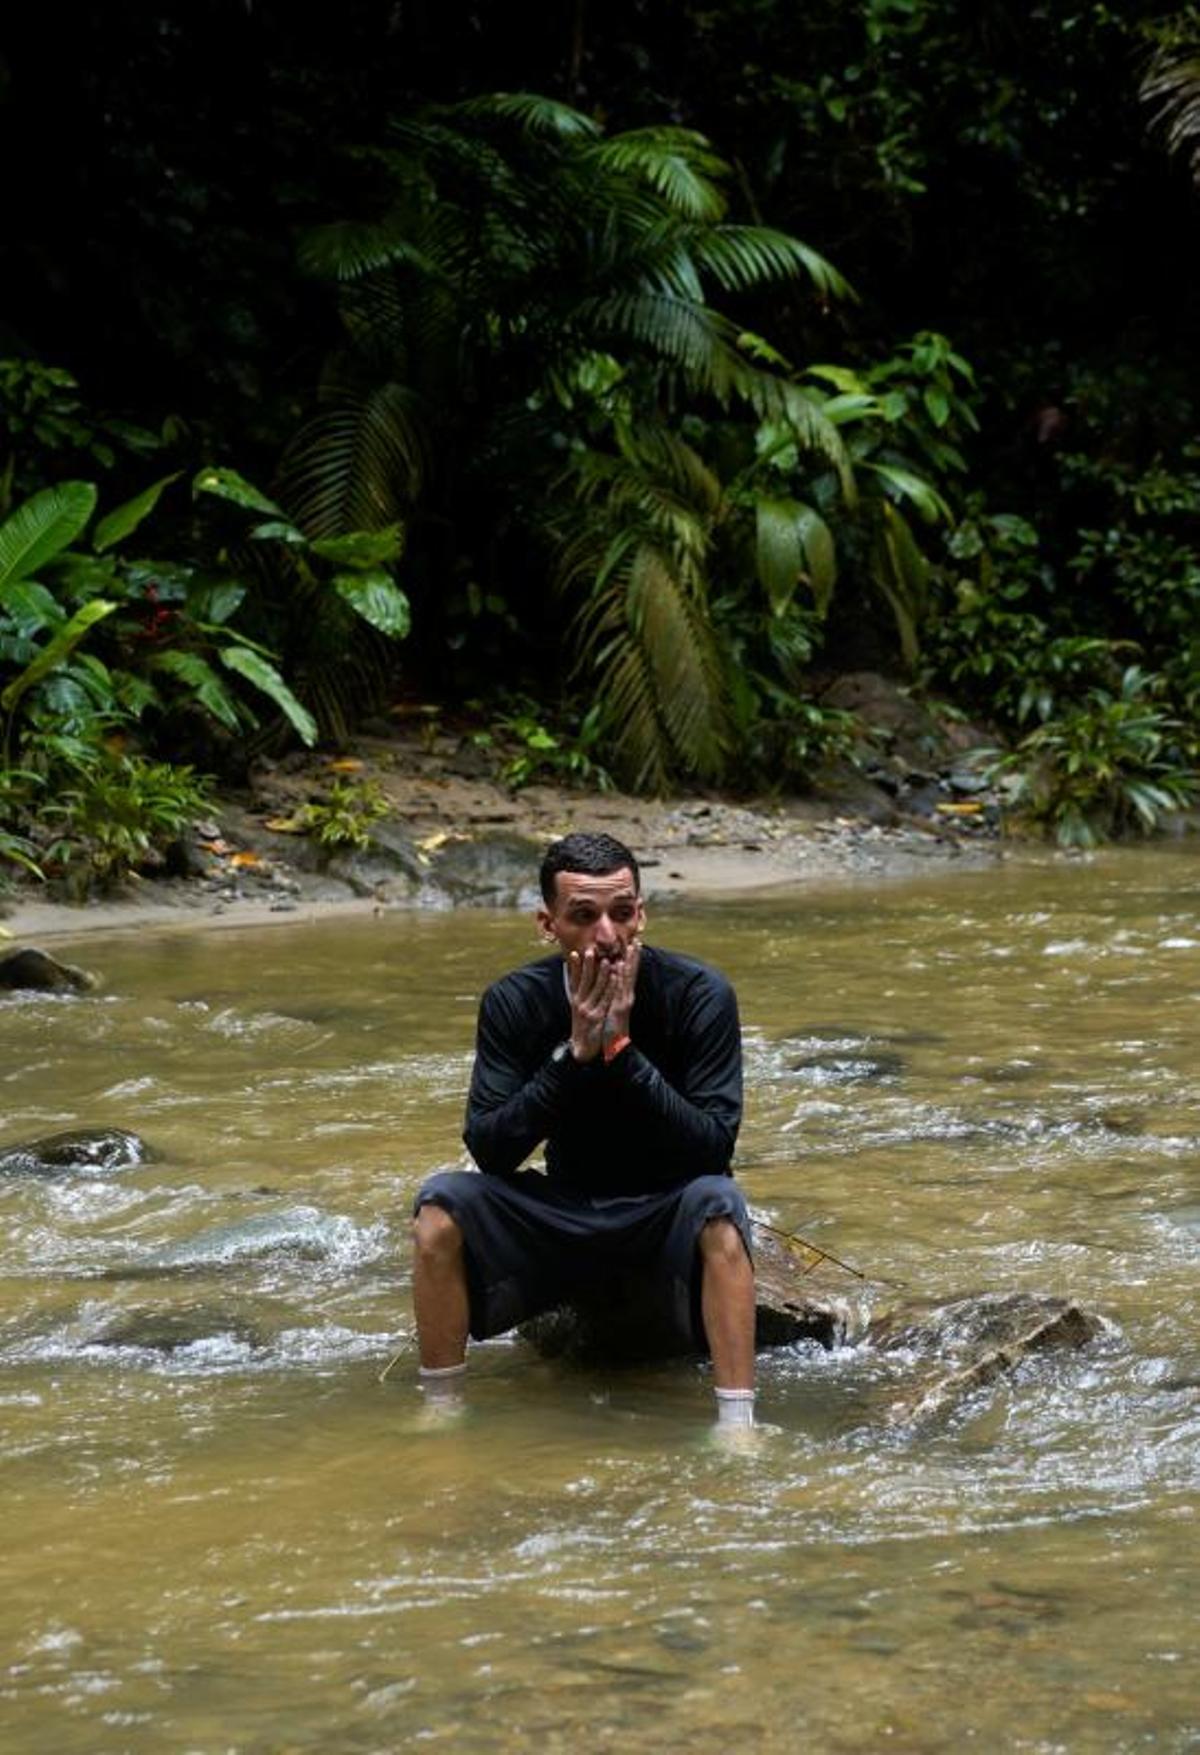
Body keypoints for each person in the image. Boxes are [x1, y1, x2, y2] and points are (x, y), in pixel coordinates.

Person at [411, 830, 758, 1431]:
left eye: (622, 913)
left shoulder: (699, 994)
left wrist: (621, 1052)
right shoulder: (514, 1001)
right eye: (584, 916)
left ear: (641, 913)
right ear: (548, 924)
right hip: (563, 1209)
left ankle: (736, 1425)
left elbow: (712, 1147)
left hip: (668, 1207)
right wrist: (573, 1056)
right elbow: (492, 1150)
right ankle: (441, 1409)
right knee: (440, 1204)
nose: (607, 936)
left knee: (721, 1203)